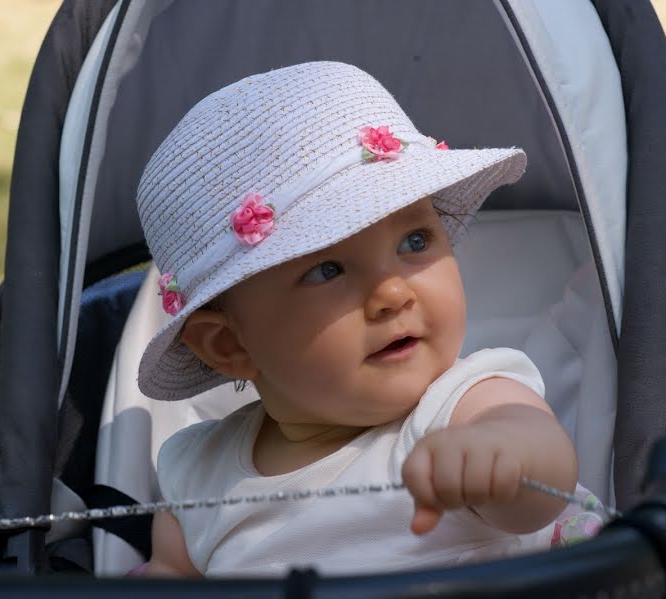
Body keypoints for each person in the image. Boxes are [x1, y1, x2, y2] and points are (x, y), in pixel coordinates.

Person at [132, 62, 580, 577]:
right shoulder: (198, 474)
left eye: (415, 242)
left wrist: (500, 458)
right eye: (327, 270)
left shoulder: (465, 406)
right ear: (228, 346)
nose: (392, 292)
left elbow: (542, 477)